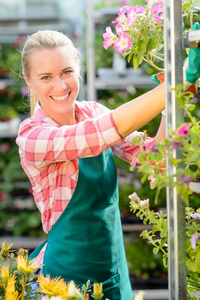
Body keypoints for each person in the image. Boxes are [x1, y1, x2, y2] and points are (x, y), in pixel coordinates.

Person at [16, 27, 200, 300]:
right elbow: (100, 133)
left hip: (112, 274)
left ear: (78, 68)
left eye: (67, 72)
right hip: (63, 282)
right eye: (46, 77)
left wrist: (169, 102)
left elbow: (155, 160)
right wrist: (173, 83)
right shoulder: (32, 136)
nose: (61, 86)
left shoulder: (93, 112)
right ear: (29, 82)